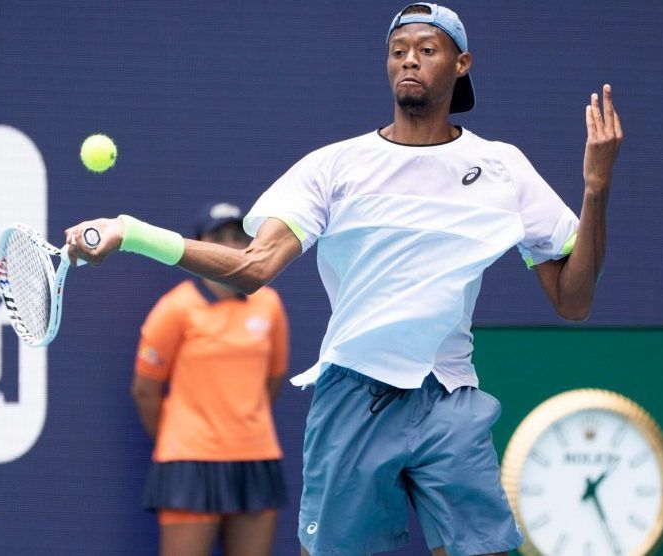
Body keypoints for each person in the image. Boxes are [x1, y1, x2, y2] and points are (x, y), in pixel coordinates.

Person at [66, 3, 623, 555]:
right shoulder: (334, 168)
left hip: (448, 395)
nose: (409, 61)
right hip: (356, 394)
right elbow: (252, 268)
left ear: (460, 64)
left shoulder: (503, 169)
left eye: (427, 50)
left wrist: (595, 188)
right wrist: (131, 231)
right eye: (398, 51)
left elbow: (573, 300)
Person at [129, 202, 290, 556]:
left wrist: (242, 423)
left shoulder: (270, 306)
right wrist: (182, 442)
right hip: (189, 461)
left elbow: (273, 379)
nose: (230, 245)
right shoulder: (175, 308)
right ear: (199, 246)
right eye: (218, 237)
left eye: (237, 236)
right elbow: (145, 392)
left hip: (256, 456)